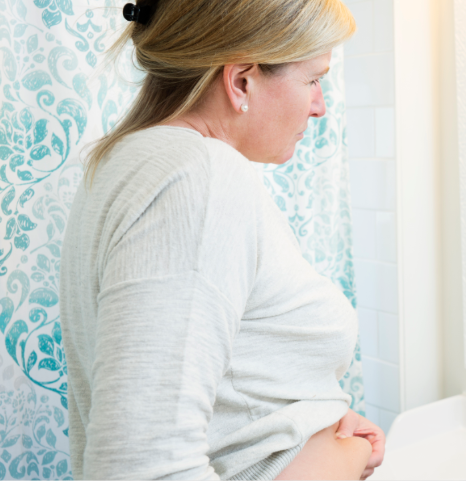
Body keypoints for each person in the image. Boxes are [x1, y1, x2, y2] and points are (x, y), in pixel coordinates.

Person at [58, 0, 385, 479]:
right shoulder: (200, 178)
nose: (319, 106)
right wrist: (340, 462)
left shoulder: (125, 163)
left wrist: (309, 418)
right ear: (241, 81)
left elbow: (222, 386)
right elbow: (142, 469)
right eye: (313, 79)